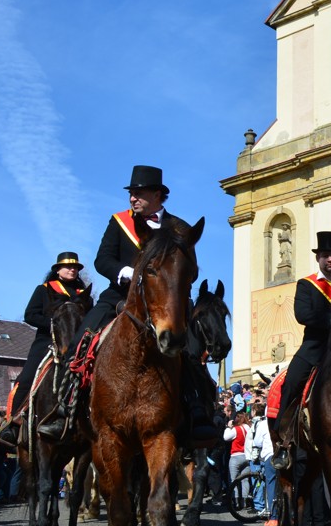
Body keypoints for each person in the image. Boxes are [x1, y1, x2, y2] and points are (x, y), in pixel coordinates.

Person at [43, 165, 216, 444]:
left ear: (158, 194)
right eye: (131, 194)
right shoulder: (119, 221)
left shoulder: (180, 228)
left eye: (139, 193)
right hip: (119, 295)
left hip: (164, 300)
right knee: (79, 341)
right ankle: (65, 411)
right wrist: (125, 272)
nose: (133, 198)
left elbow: (192, 270)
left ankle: (198, 414)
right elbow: (102, 260)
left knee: (192, 349)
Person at [273, 231, 331, 458]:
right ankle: (283, 438)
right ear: (318, 258)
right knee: (290, 383)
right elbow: (303, 315)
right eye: (326, 255)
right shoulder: (306, 285)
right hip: (315, 347)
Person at [0, 252, 92, 449]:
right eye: (68, 267)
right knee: (26, 378)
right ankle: (13, 424)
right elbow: (30, 315)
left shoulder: (84, 294)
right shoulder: (44, 290)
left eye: (76, 267)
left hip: (78, 345)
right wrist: (55, 325)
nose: (73, 270)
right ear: (57, 270)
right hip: (47, 340)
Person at [223, 411, 254, 509]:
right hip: (247, 455)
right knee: (245, 479)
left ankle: (236, 501)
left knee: (234, 479)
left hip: (236, 456)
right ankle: (244, 501)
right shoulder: (249, 428)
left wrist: (228, 427)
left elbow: (226, 437)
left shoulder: (236, 429)